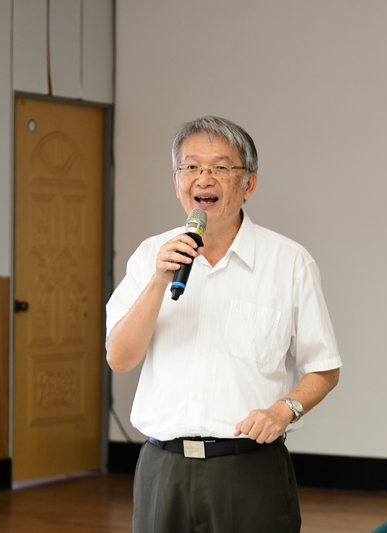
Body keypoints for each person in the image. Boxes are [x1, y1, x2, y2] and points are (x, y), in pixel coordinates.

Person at [106, 116, 341, 533]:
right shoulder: (150, 257)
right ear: (177, 180)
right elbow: (120, 359)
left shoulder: (288, 262)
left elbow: (324, 367)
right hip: (163, 469)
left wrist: (285, 410)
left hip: (248, 470)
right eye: (191, 167)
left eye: (220, 167)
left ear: (248, 184)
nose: (204, 178)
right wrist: (160, 280)